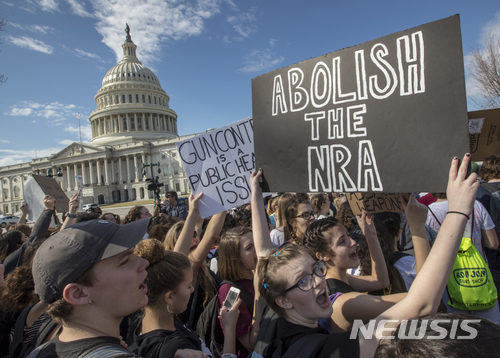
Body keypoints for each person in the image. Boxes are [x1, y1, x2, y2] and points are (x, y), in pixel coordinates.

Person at [254, 154, 487, 357]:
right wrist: (456, 212)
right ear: (282, 301)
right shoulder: (327, 346)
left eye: (314, 270)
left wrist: (255, 193)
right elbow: (422, 304)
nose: (318, 280)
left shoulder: (278, 309)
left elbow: (264, 253)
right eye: (303, 281)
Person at [426, 191, 500, 323]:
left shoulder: (427, 213)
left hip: (448, 287)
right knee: (491, 334)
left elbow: (426, 254)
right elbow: (493, 244)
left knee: (459, 337)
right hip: (480, 282)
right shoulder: (475, 205)